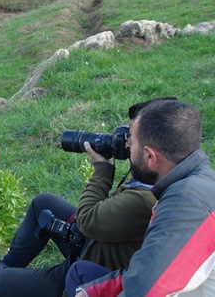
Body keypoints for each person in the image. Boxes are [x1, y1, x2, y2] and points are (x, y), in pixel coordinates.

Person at [0, 99, 161, 297]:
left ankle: (0, 277)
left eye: (131, 140)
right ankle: (6, 264)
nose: (125, 143)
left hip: (93, 271)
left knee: (2, 282)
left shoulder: (144, 200)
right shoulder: (158, 177)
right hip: (101, 245)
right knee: (44, 202)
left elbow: (87, 221)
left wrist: (102, 170)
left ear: (150, 155)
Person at [65, 99, 215, 296]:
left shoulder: (183, 204)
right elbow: (145, 271)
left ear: (150, 157)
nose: (128, 147)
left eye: (132, 143)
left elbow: (146, 289)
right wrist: (89, 292)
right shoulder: (201, 181)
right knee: (81, 274)